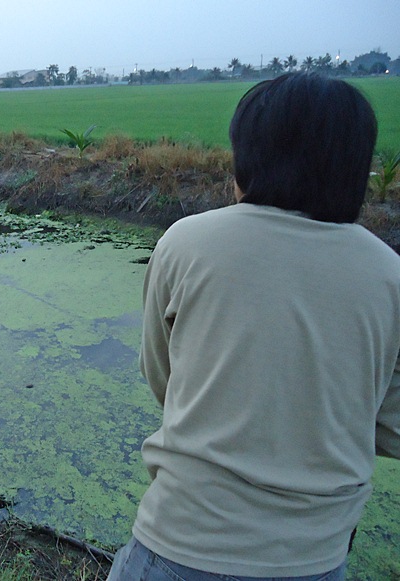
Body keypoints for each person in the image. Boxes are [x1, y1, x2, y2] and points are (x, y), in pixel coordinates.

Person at [108, 72, 400, 580]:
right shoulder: (390, 274)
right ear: (357, 169)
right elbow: (394, 426)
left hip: (179, 546)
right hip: (317, 559)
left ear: (247, 160)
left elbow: (163, 376)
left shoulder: (186, 244)